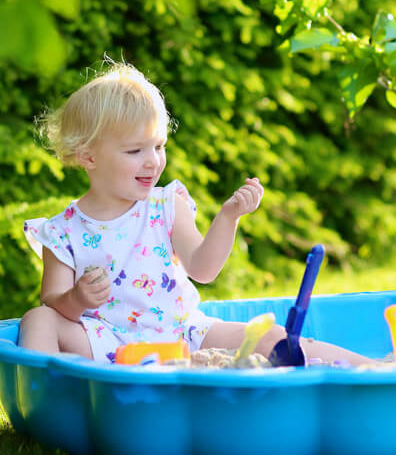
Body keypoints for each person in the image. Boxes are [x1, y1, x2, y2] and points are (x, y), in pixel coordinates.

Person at [20, 62, 372, 366]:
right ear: (88, 157)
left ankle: (376, 367)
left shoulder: (165, 205)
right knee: (39, 320)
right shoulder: (63, 231)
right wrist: (78, 299)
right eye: (135, 150)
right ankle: (44, 394)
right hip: (108, 345)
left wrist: (228, 217)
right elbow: (53, 303)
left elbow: (203, 269)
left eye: (158, 146)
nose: (152, 160)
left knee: (273, 338)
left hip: (182, 335)